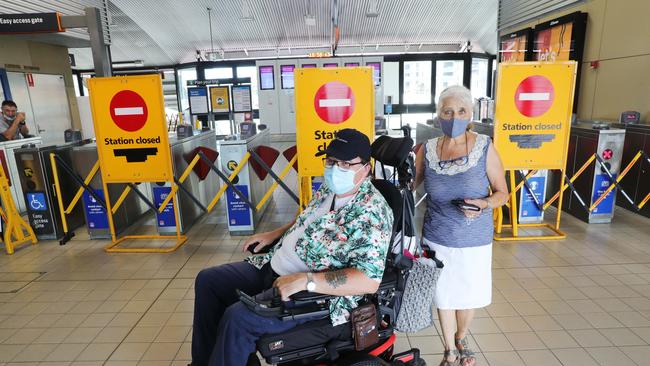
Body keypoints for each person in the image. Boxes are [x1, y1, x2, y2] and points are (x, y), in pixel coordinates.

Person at [191, 128, 394, 366]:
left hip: (313, 292)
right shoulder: (331, 189)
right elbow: (308, 220)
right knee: (208, 281)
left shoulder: (373, 212)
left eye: (345, 164)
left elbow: (368, 280)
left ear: (365, 169)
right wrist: (274, 234)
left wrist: (305, 280)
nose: (335, 168)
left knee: (237, 319)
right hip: (273, 265)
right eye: (330, 161)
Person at [414, 86, 508, 366]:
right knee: (443, 295)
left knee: (467, 296)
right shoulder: (428, 149)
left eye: (461, 111)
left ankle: (462, 336)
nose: (454, 116)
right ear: (438, 115)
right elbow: (412, 186)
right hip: (436, 236)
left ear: (471, 115)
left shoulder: (484, 147)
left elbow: (502, 193)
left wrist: (484, 204)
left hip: (474, 240)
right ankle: (449, 349)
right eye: (448, 111)